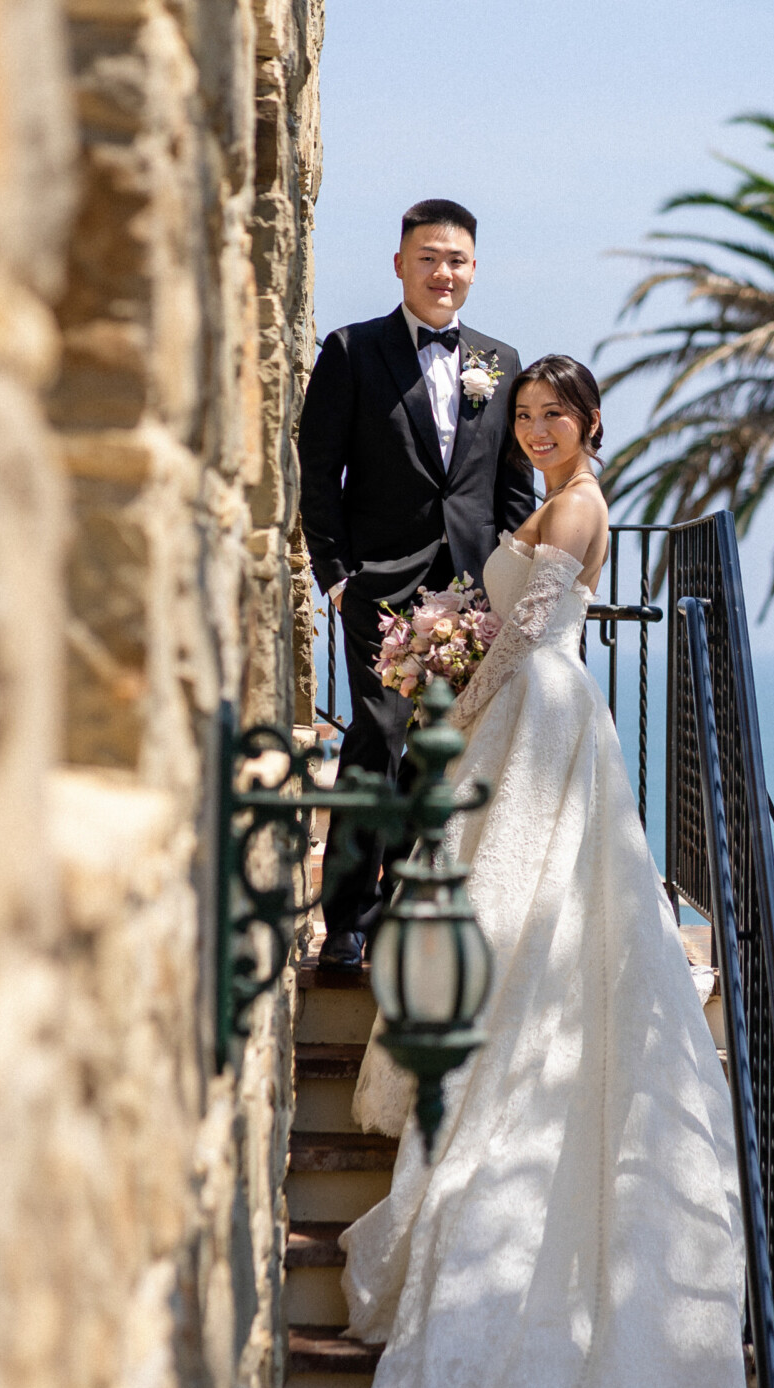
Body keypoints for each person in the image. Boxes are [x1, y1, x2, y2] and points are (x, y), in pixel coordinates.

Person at [342, 357, 749, 1388]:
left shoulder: (578, 505)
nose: (535, 432)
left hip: (543, 716)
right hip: (527, 711)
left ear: (589, 425)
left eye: (551, 418)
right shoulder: (544, 498)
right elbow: (491, 621)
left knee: (515, 918)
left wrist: (451, 697)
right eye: (522, 417)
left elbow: (521, 637)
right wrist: (443, 654)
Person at [297, 199, 535, 970]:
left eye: (457, 259)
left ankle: (411, 912)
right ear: (400, 264)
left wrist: (510, 578)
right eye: (428, 257)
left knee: (445, 751)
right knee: (376, 740)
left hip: (470, 593)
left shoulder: (499, 361)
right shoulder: (352, 350)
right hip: (380, 589)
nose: (443, 272)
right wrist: (336, 577)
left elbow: (509, 485)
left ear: (474, 269)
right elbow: (317, 473)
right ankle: (348, 925)